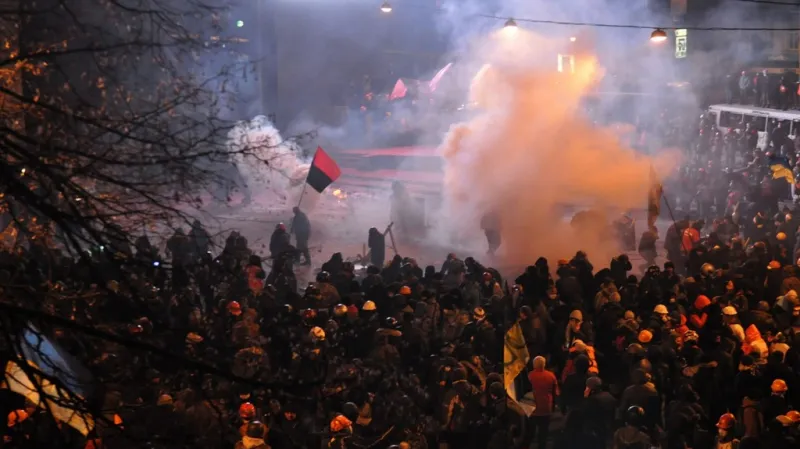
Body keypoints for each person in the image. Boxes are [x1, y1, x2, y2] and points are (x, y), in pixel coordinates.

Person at [527, 355, 559, 449]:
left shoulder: (529, 376)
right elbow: (555, 392)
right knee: (543, 432)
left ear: (534, 365)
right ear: (544, 365)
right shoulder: (551, 376)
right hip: (546, 408)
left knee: (530, 432)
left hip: (532, 408)